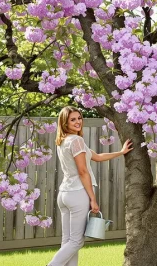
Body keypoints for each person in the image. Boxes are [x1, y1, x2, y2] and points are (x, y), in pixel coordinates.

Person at [47, 106, 133, 266]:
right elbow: (83, 171)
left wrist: (121, 152)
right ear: (64, 122)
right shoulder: (76, 141)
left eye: (79, 118)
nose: (78, 122)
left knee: (68, 241)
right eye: (72, 119)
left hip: (64, 195)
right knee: (76, 242)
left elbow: (97, 156)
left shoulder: (64, 141)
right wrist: (92, 199)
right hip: (77, 194)